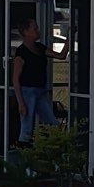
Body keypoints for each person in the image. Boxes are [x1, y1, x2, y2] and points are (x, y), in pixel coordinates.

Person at [9, 17, 59, 146]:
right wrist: (21, 103)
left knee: (52, 123)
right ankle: (23, 154)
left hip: (41, 91)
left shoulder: (40, 48)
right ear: (26, 32)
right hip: (27, 91)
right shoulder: (21, 52)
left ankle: (50, 150)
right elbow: (15, 79)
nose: (38, 31)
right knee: (27, 127)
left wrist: (69, 39)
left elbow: (61, 56)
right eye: (35, 28)